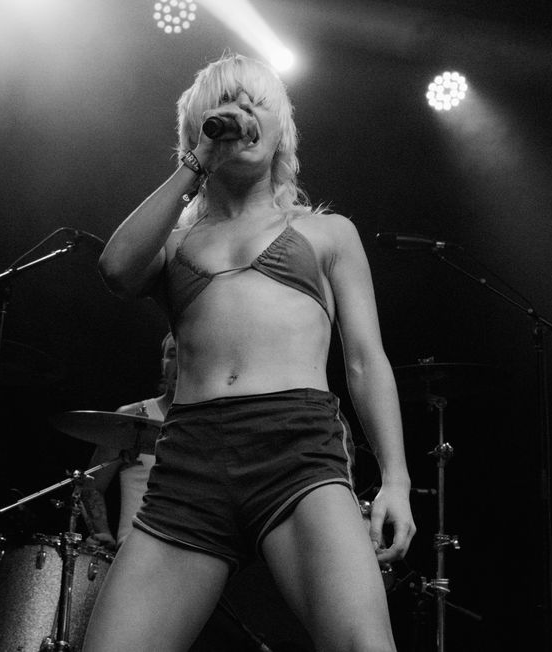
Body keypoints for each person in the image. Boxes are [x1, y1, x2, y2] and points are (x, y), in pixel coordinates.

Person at [85, 52, 416, 652]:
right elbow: (115, 268)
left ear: (281, 128)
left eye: (254, 103)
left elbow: (365, 361)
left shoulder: (326, 232)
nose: (239, 114)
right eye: (224, 107)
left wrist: (395, 479)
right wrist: (195, 164)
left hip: (296, 450)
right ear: (197, 133)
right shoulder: (176, 241)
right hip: (190, 462)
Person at [81, 331, 176, 550]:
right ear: (162, 363)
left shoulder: (209, 422)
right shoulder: (133, 416)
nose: (178, 362)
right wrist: (102, 532)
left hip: (193, 554)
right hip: (136, 550)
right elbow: (91, 486)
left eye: (186, 352)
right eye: (171, 354)